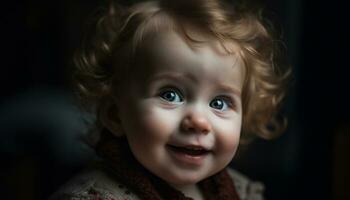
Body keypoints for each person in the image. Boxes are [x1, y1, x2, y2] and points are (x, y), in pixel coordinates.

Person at [50, 0, 290, 199]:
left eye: (219, 103)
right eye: (170, 95)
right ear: (115, 114)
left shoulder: (240, 192)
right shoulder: (94, 196)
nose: (198, 121)